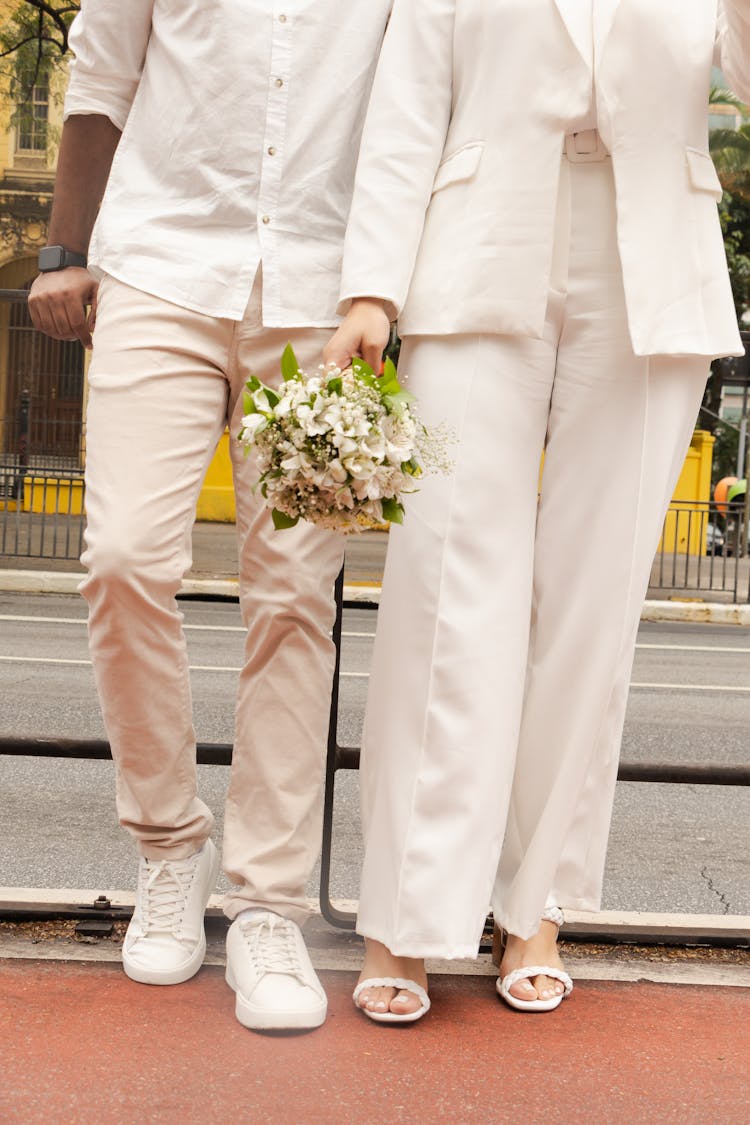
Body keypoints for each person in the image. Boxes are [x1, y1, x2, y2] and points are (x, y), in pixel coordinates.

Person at [325, 0, 750, 1021]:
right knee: (445, 585)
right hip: (476, 245)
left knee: (590, 609)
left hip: (653, 258)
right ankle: (408, 912)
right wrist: (369, 290)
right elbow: (407, 102)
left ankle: (537, 903)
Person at [28, 0, 391, 1033]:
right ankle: (169, 850)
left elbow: (412, 109)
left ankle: (269, 902)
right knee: (124, 560)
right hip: (158, 271)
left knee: (293, 597)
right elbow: (100, 85)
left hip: (323, 298)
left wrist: (386, 290)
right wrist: (64, 252)